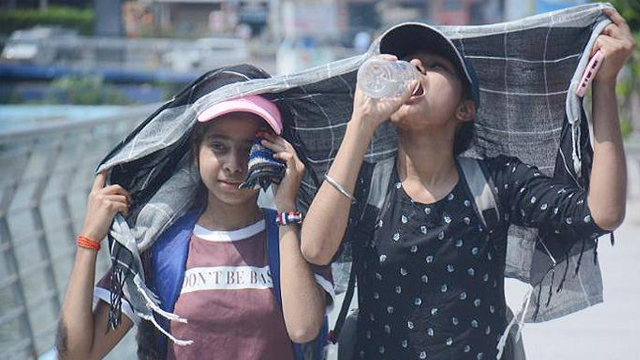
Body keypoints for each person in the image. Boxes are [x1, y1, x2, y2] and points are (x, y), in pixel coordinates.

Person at [301, 7, 634, 360]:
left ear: (465, 109)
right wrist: (361, 123)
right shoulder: (368, 186)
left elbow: (602, 213)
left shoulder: (496, 182)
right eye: (406, 62)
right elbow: (316, 249)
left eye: (435, 65)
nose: (413, 67)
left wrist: (606, 85)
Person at [56, 73, 333, 360]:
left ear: (275, 154)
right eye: (218, 146)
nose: (234, 165)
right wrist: (88, 241)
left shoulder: (297, 238)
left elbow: (304, 329)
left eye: (249, 149)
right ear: (195, 151)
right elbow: (77, 354)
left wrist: (286, 205)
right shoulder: (158, 245)